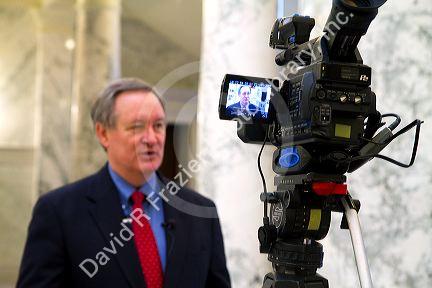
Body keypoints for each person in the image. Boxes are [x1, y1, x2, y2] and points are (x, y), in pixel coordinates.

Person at [16, 78, 231, 288]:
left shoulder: (201, 212)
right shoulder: (58, 211)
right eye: (137, 127)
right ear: (103, 133)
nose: (151, 138)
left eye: (158, 125)